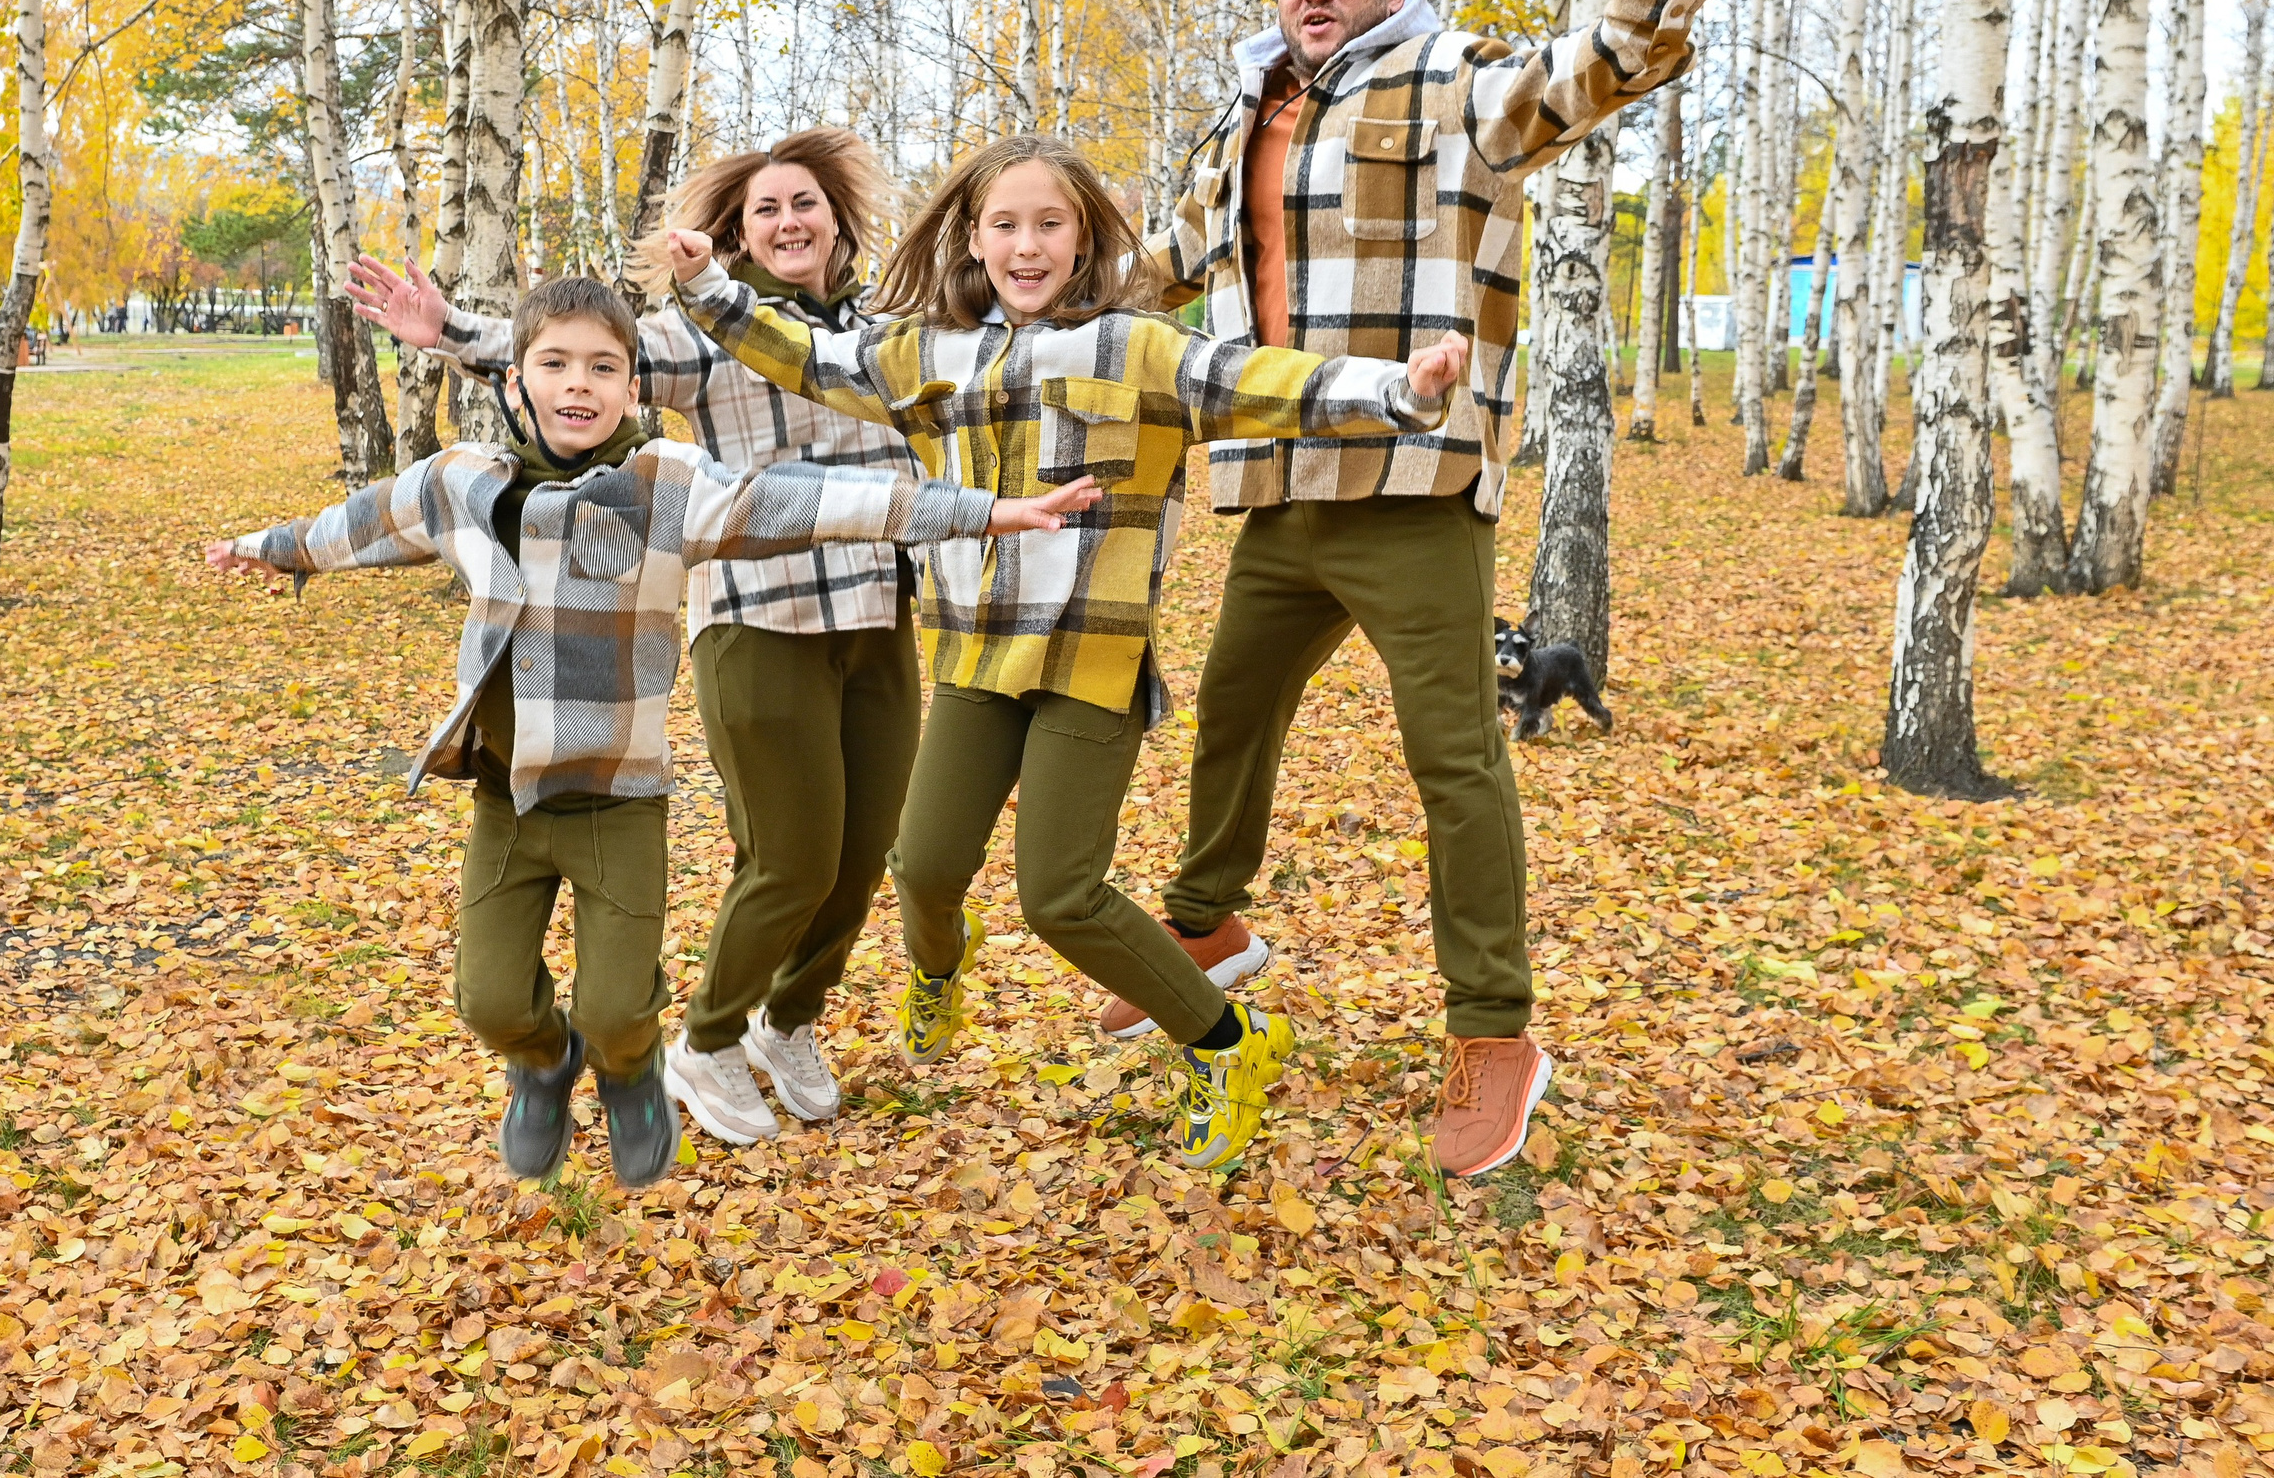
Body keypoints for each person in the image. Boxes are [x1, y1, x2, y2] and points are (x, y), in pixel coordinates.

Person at [1123, 0, 1759, 1179]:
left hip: (1411, 484)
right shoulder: (1244, 118)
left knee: (1454, 758)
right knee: (1231, 715)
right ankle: (1200, 925)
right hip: (1274, 483)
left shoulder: (1453, 78)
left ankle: (1494, 1029)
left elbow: (1578, 79)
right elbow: (1158, 262)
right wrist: (1010, 268)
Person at [666, 134, 1471, 1167]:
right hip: (971, 660)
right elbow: (808, 358)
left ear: (1083, 234)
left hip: (1088, 661)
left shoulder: (1137, 349)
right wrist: (705, 287)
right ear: (972, 237)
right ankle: (937, 971)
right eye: (1005, 224)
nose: (1027, 244)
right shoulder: (925, 354)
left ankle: (1226, 1043)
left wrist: (1399, 393)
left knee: (1058, 894)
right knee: (921, 868)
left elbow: (1267, 383)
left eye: (1050, 222)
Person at [206, 273, 1097, 1188]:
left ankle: (631, 1071)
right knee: (490, 999)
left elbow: (817, 502)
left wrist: (982, 511)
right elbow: (361, 520)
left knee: (621, 1008)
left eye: (604, 366)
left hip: (619, 802)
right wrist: (265, 549)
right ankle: (546, 1064)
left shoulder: (666, 486)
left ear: (636, 387)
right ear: (517, 381)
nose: (578, 384)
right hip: (507, 800)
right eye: (554, 364)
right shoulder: (463, 484)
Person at [346, 130, 936, 1150]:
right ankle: (703, 1041)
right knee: (789, 858)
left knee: (861, 854)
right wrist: (449, 330)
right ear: (737, 232)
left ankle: (785, 1021)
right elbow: (584, 355)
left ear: (837, 216)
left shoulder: (887, 329)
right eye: (765, 210)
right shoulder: (706, 331)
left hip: (876, 616)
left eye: (804, 204)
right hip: (758, 617)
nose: (788, 222)